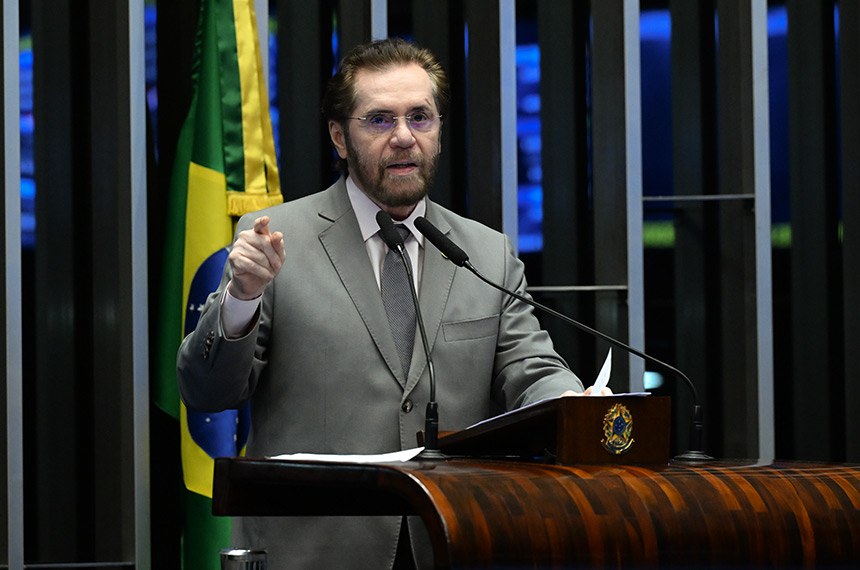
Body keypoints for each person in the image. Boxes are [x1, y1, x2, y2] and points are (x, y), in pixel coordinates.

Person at [178, 37, 603, 569]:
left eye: (420, 117)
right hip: (316, 552)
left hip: (453, 540)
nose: (404, 137)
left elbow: (529, 367)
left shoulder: (485, 252)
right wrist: (242, 297)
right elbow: (207, 390)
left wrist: (571, 402)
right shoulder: (278, 238)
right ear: (339, 135)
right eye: (380, 120)